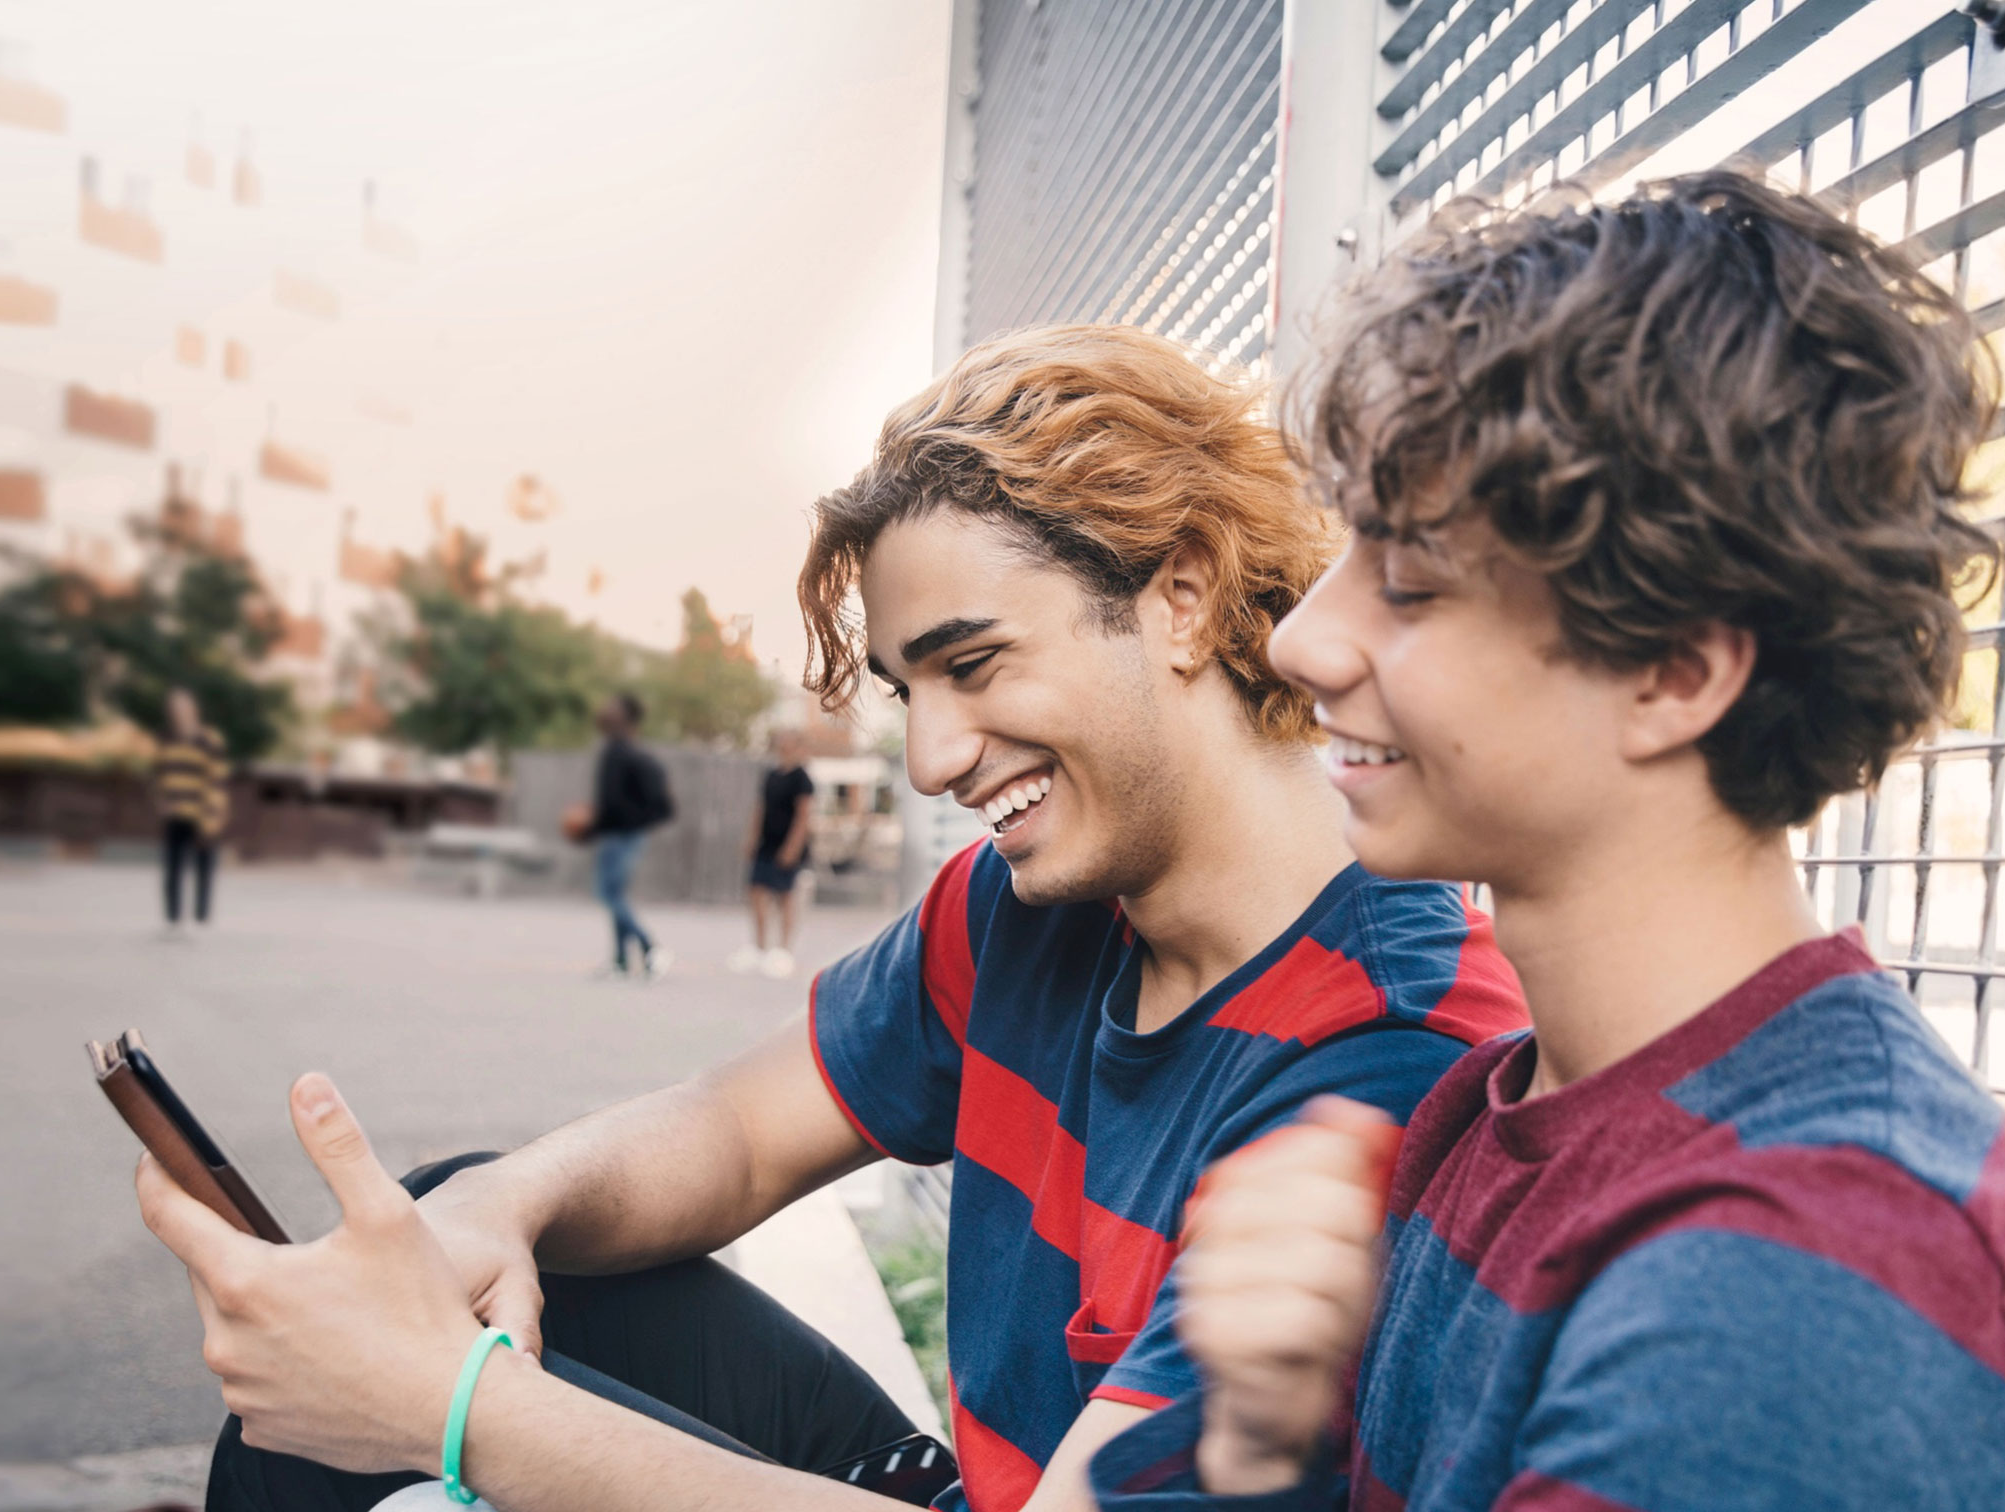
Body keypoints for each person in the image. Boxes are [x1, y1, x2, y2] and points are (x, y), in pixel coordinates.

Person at [134, 324, 1527, 1512]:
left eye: (971, 665)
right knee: (459, 1230)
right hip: (970, 1481)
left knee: (401, 1380)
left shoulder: (1398, 1056)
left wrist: (448, 1411)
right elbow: (737, 1131)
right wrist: (505, 1201)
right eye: (910, 693)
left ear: (1182, 595)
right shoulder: (1028, 904)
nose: (932, 758)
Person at [1083, 173, 2005, 1511]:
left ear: (1675, 670)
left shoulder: (1807, 1265)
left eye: (1415, 583)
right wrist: (1268, 1440)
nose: (1301, 641)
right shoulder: (1501, 1108)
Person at [582, 692, 673, 978]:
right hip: (614, 835)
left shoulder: (627, 754)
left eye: (613, 707)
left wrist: (630, 825)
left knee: (608, 894)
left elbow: (662, 807)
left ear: (626, 717)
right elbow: (610, 803)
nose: (604, 709)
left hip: (623, 837)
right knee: (615, 894)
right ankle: (621, 960)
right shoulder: (615, 750)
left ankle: (650, 947)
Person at [729, 728, 813, 979]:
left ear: (798, 746)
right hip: (766, 843)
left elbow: (804, 815)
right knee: (756, 891)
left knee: (786, 897)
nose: (783, 744)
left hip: (787, 846)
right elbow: (760, 808)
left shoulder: (802, 778)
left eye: (789, 741)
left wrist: (792, 848)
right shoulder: (771, 775)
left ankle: (784, 951)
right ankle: (759, 947)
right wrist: (752, 838)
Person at [155, 686, 229, 933]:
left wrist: (213, 814)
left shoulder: (210, 739)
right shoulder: (166, 739)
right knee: (172, 866)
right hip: (175, 811)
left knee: (204, 866)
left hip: (202, 812)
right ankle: (173, 917)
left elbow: (217, 779)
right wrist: (161, 801)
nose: (180, 712)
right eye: (175, 708)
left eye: (184, 706)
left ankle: (201, 917)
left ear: (194, 709)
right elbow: (160, 774)